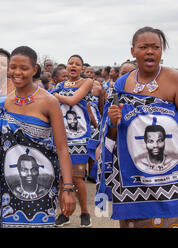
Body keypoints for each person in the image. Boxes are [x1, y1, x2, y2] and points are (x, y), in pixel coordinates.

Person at [0, 46, 75, 227]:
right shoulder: (5, 103)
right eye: (13, 67)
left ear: (34, 70)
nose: (17, 72)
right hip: (6, 184)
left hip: (42, 184)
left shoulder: (49, 102)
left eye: (24, 68)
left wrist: (67, 187)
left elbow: (62, 148)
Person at [97, 26, 178, 228]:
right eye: (143, 47)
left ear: (161, 51)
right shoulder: (122, 85)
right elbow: (113, 135)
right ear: (133, 51)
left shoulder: (174, 80)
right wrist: (112, 121)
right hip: (131, 179)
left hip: (169, 177)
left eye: (155, 47)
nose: (150, 51)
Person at [51, 54, 94, 227]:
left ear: (82, 69)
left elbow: (73, 100)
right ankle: (65, 214)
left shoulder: (86, 83)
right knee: (63, 178)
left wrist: (56, 96)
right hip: (62, 138)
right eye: (70, 63)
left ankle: (85, 213)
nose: (73, 66)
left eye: (77, 64)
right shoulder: (60, 85)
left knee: (77, 178)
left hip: (80, 138)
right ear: (67, 67)